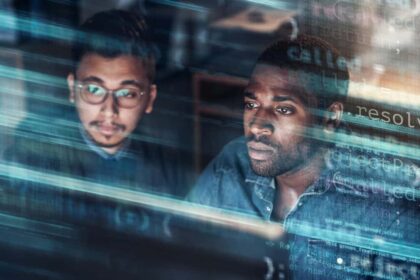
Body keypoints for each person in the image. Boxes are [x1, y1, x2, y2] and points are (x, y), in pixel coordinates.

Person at [189, 36, 419, 279]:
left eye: (284, 109)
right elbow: (180, 253)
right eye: (251, 104)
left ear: (329, 118)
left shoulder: (390, 201)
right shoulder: (232, 165)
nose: (257, 126)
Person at [3, 10, 188, 229]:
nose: (109, 111)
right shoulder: (35, 150)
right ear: (72, 89)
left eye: (127, 93)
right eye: (93, 89)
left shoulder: (164, 162)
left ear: (150, 98)